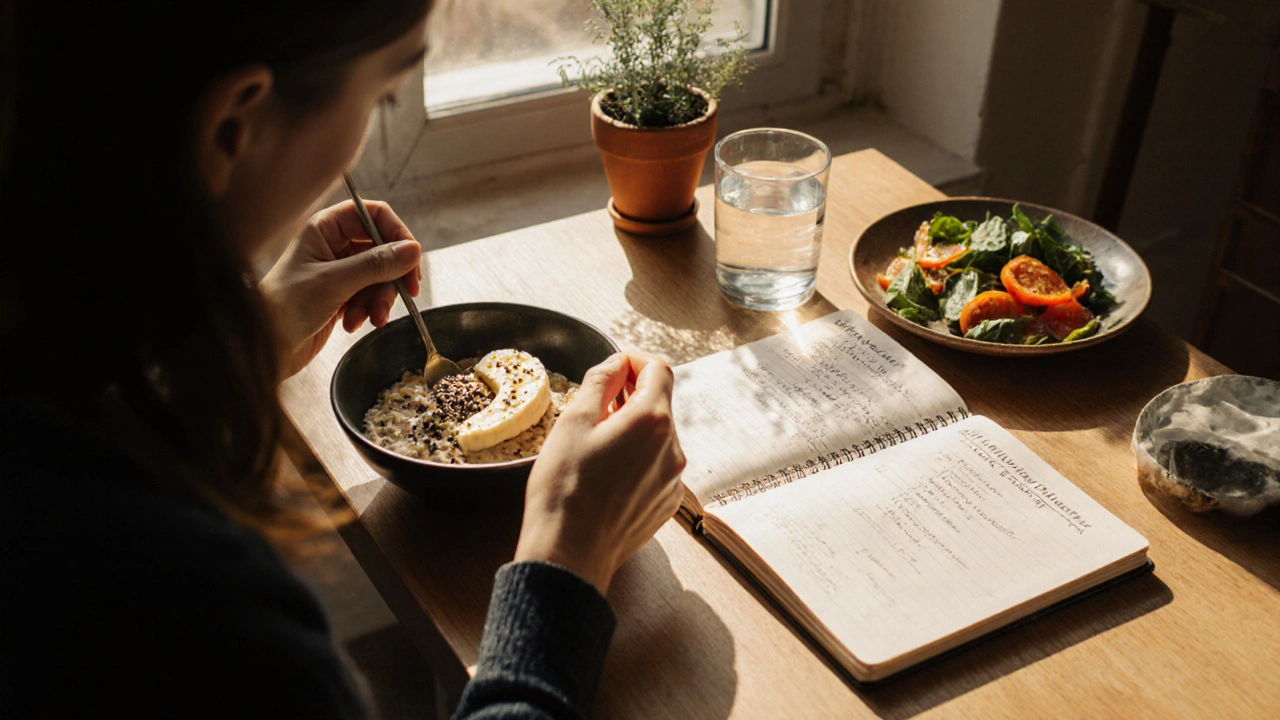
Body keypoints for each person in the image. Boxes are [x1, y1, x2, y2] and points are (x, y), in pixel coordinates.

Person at [0, 2, 686, 718]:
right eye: (383, 94)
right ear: (233, 125)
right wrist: (566, 561)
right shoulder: (183, 598)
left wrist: (244, 342)